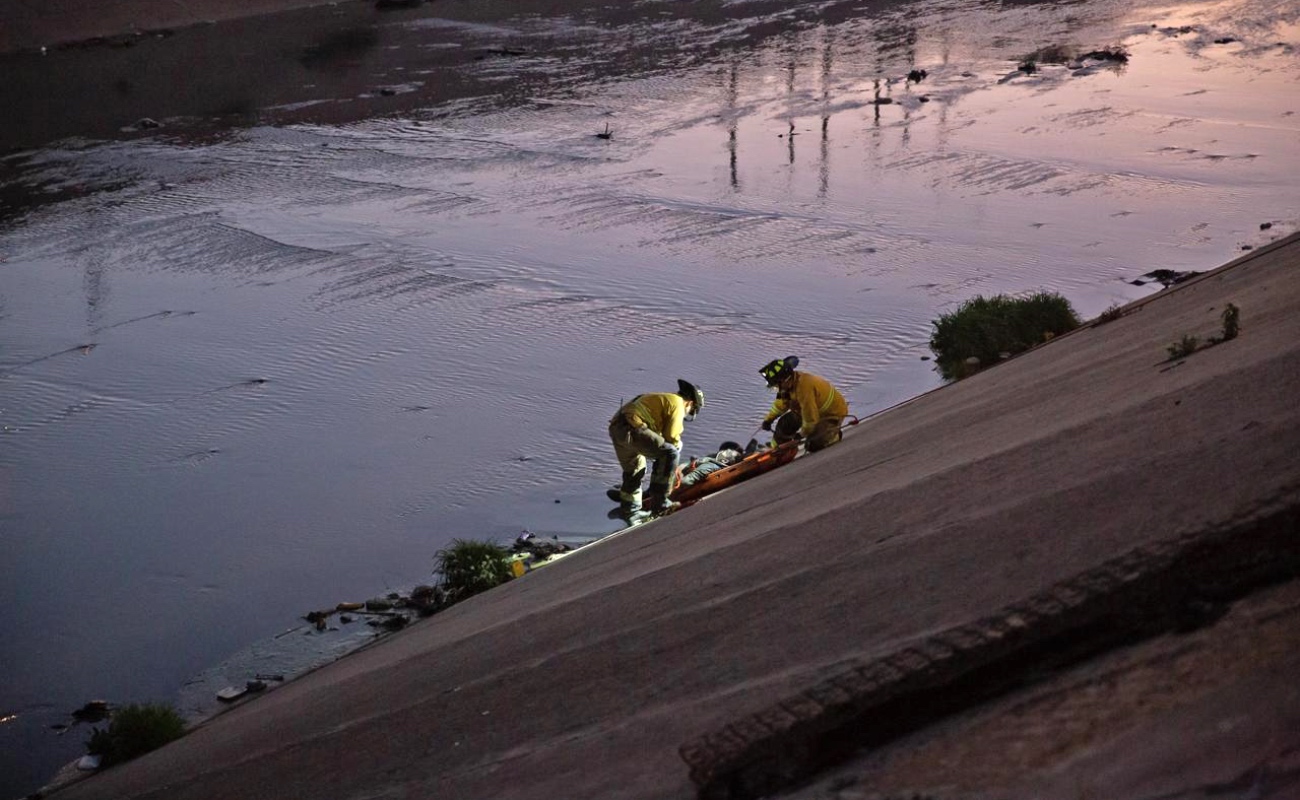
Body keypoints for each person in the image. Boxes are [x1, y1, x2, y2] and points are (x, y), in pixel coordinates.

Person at [607, 379, 704, 516]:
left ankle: (630, 508)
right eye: (690, 411)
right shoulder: (678, 404)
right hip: (634, 428)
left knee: (636, 467)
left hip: (618, 429)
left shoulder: (663, 398)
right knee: (670, 453)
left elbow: (655, 435)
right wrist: (676, 450)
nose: (686, 414)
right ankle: (660, 503)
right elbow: (672, 437)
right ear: (690, 403)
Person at [758, 356, 847, 452]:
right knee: (784, 424)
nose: (776, 388)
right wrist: (768, 420)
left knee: (813, 445)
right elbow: (780, 404)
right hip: (809, 412)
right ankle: (778, 450)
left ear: (785, 380)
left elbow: (810, 418)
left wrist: (802, 434)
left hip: (830, 415)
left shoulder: (804, 388)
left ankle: (833, 435)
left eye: (776, 386)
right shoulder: (786, 387)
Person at [677, 441, 745, 487]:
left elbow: (685, 481)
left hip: (714, 464)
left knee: (687, 477)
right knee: (685, 467)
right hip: (713, 461)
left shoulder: (709, 465)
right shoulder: (712, 459)